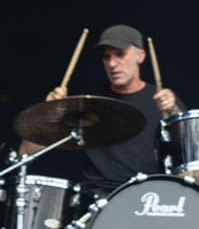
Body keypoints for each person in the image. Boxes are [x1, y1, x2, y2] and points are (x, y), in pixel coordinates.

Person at [19, 24, 183, 196]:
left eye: (120, 54)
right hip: (97, 199)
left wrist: (174, 111)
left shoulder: (162, 100)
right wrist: (48, 114)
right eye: (106, 56)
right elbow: (26, 152)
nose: (112, 63)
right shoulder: (87, 104)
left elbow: (190, 152)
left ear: (140, 56)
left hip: (149, 198)